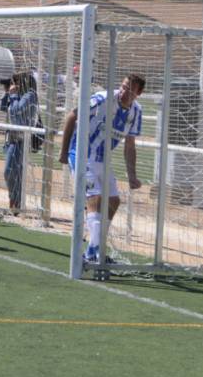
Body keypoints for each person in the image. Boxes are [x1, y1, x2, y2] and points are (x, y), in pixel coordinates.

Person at [58, 74, 145, 263]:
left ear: (138, 94)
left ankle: (92, 252)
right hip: (81, 154)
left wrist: (132, 176)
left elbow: (130, 145)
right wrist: (63, 151)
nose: (124, 91)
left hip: (103, 160)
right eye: (123, 86)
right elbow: (72, 115)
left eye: (130, 89)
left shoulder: (136, 111)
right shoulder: (102, 99)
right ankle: (98, 253)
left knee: (113, 201)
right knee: (95, 199)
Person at [0, 72, 38, 214]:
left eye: (15, 82)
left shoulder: (30, 95)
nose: (12, 84)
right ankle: (15, 201)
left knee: (12, 172)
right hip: (11, 139)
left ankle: (16, 202)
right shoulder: (14, 95)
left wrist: (14, 95)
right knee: (11, 172)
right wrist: (7, 93)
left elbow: (17, 111)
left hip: (22, 140)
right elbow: (3, 107)